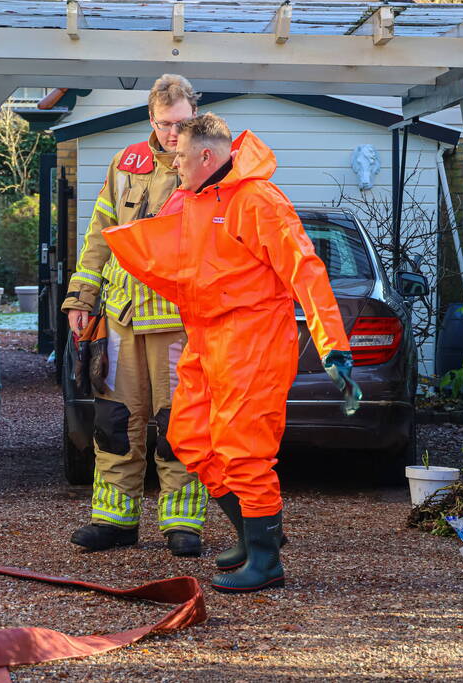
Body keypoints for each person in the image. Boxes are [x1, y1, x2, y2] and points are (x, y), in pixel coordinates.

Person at [102, 113, 361, 593]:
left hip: (254, 341)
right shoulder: (198, 197)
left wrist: (334, 347)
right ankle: (255, 532)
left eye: (179, 156)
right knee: (189, 438)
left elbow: (307, 270)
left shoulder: (259, 201)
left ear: (206, 155)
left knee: (244, 453)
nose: (173, 164)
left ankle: (266, 561)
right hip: (206, 338)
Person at [61, 75, 208, 557]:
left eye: (182, 123)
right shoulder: (125, 165)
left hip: (178, 320)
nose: (173, 133)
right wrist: (81, 298)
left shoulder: (211, 168)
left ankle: (183, 523)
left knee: (178, 424)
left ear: (195, 117)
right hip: (122, 315)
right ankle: (114, 520)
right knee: (115, 420)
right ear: (151, 119)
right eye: (165, 124)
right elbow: (99, 234)